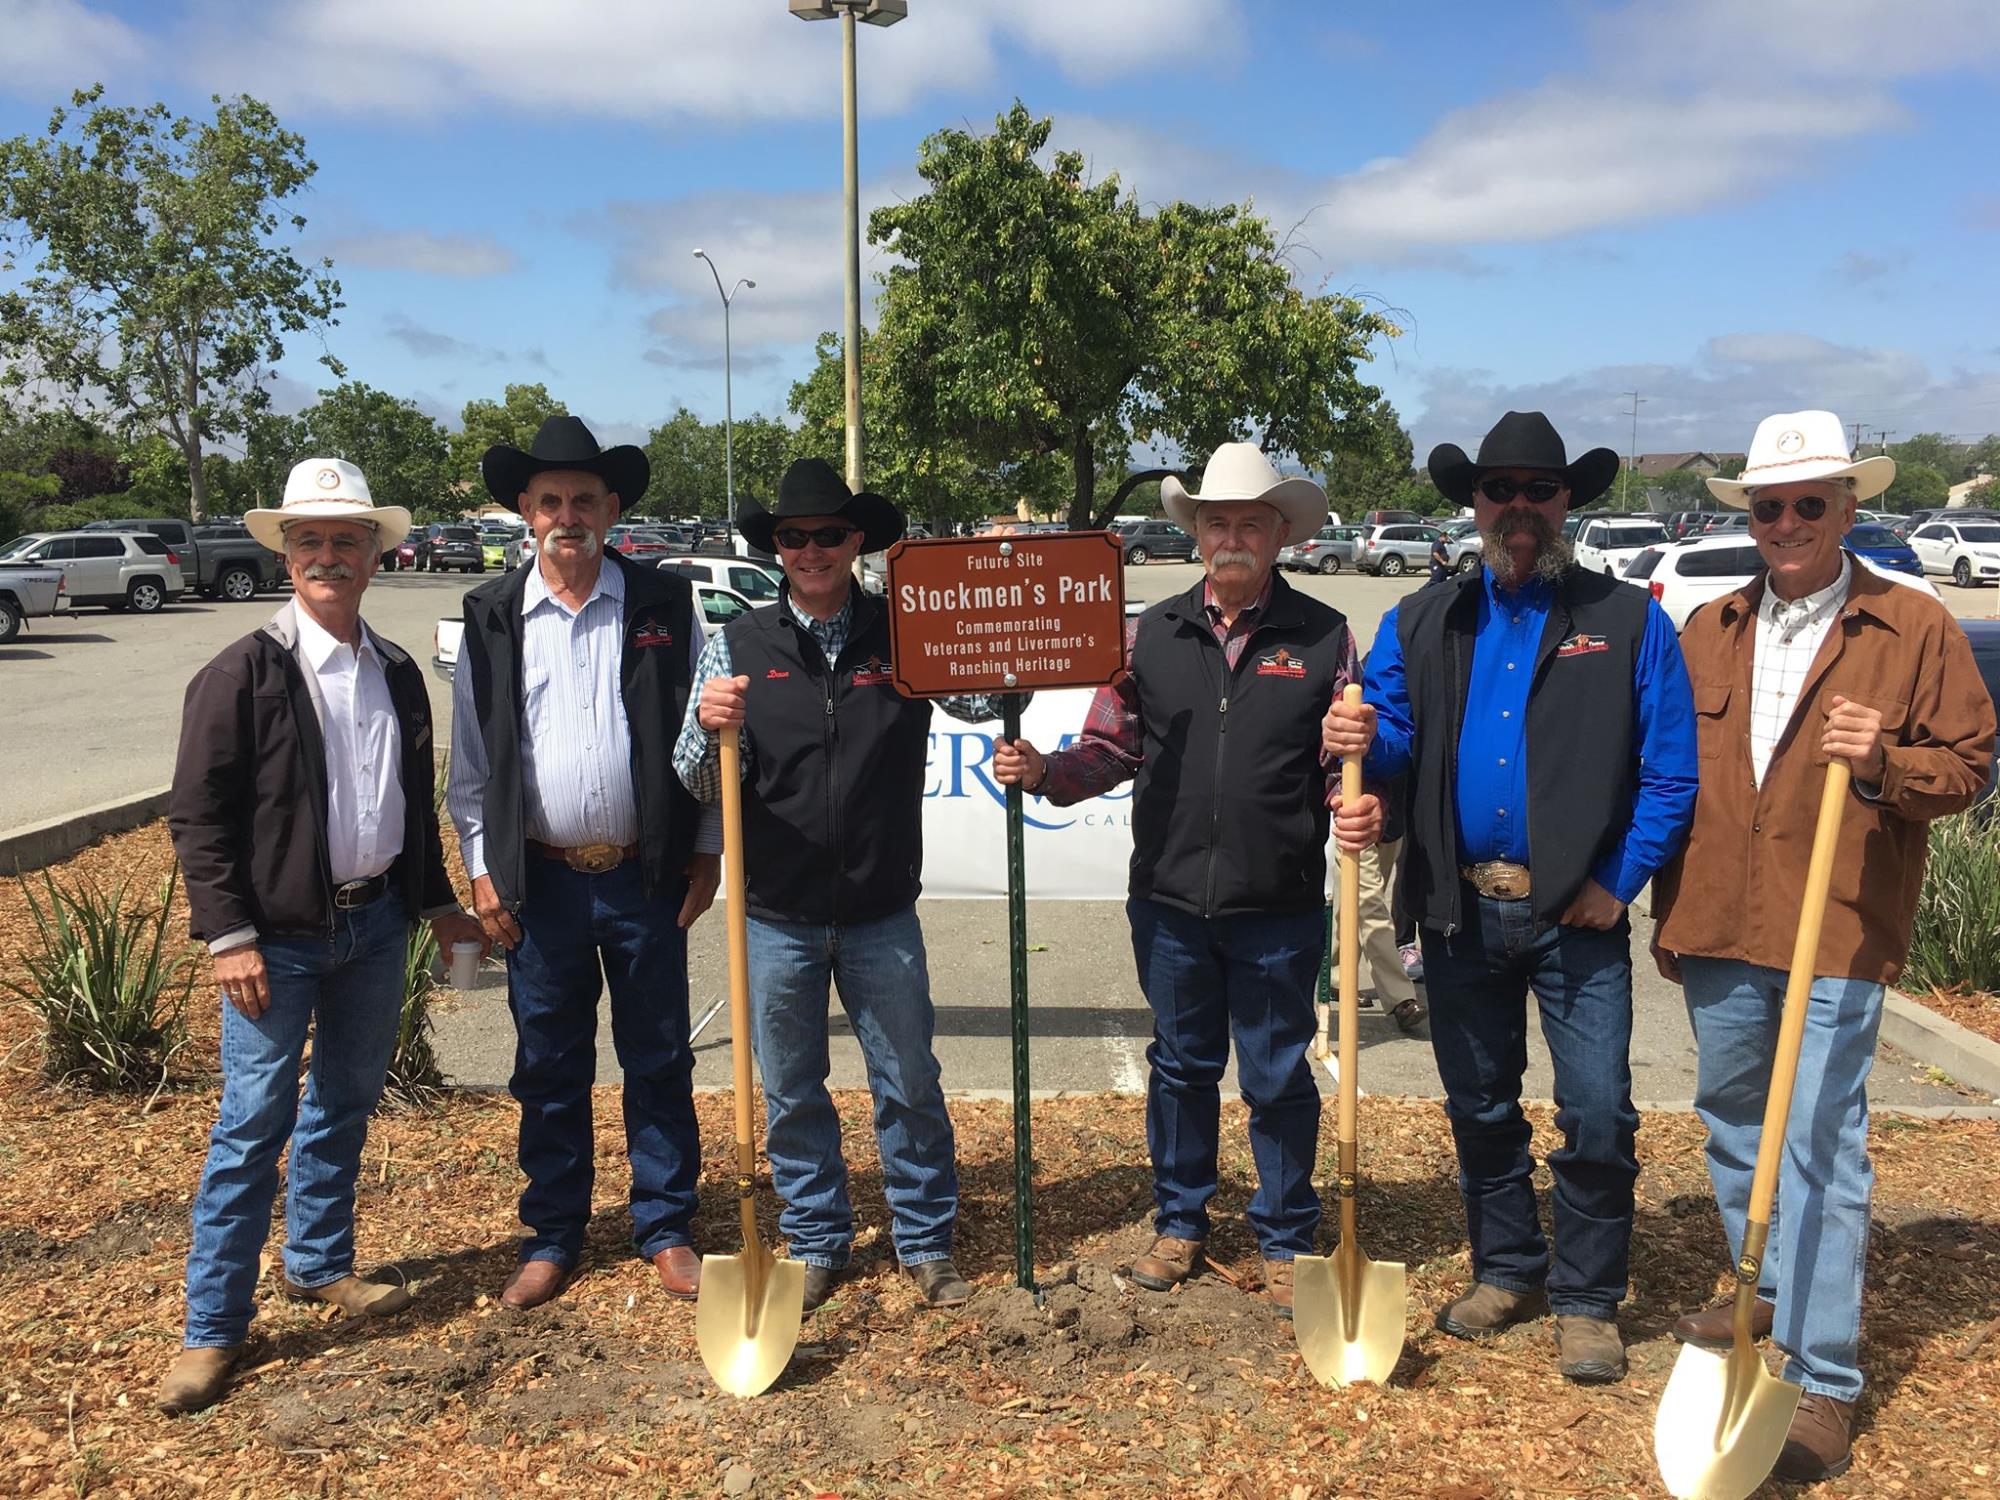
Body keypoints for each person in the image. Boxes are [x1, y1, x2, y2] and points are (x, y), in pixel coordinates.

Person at [1652, 410, 1995, 1482]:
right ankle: (1758, 1285)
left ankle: (1822, 1377)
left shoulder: (1910, 626)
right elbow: (1665, 774)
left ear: (1848, 508)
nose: (1788, 523)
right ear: (1748, 518)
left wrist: (1886, 759)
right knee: (1730, 1123)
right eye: (1769, 507)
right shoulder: (1705, 627)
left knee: (1818, 1146)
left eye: (1810, 503)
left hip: (1832, 926)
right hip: (1715, 919)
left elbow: (1968, 766)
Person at [1325, 410, 1697, 1382]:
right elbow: (1394, 747)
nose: (1519, 508)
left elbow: (1667, 773)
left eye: (1539, 490)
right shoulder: (1421, 619)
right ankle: (1506, 1267)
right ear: (1475, 504)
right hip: (1455, 911)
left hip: (1572, 914)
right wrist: (1358, 749)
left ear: (1564, 501)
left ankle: (1584, 1300)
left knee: (1598, 1111)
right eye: (1502, 491)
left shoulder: (1624, 621)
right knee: (1479, 1105)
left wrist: (1616, 885)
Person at [993, 442, 1382, 1319]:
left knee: (1279, 1074)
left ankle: (1284, 1235)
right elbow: (1110, 746)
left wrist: (1360, 804)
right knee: (1180, 1067)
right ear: (1197, 532)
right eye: (1217, 521)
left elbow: (1343, 762)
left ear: (1280, 533)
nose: (1232, 536)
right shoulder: (1150, 634)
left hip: (1277, 903)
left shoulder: (1325, 637)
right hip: (1169, 901)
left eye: (1250, 521)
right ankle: (1180, 1223)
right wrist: (1046, 773)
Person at [160, 459, 484, 1414]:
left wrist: (436, 904)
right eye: (312, 541)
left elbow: (404, 807)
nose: (330, 556)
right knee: (252, 1124)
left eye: (348, 541)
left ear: (378, 556)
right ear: (286, 555)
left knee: (343, 1101)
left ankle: (316, 1263)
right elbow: (197, 817)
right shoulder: (242, 672)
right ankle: (212, 1329)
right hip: (278, 939)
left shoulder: (394, 671)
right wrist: (227, 936)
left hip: (376, 924)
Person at [675, 458, 998, 1313]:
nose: (810, 550)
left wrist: (1017, 627)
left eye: (828, 535)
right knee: (790, 1091)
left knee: (909, 1081)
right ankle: (817, 1240)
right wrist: (710, 732)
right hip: (774, 913)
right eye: (793, 537)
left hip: (880, 909)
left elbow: (988, 700)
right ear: (775, 548)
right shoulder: (737, 643)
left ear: (857, 541)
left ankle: (924, 1242)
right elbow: (695, 779)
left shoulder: (903, 634)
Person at [446, 415, 720, 1310]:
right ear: (525, 513)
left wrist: (706, 851)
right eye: (551, 500)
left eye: (585, 500)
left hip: (646, 877)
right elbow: (475, 765)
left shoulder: (663, 605)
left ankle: (666, 1224)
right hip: (542, 883)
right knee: (550, 1063)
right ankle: (553, 1232)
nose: (569, 515)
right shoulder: (491, 615)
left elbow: (704, 737)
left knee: (658, 1057)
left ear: (611, 510)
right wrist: (483, 871)